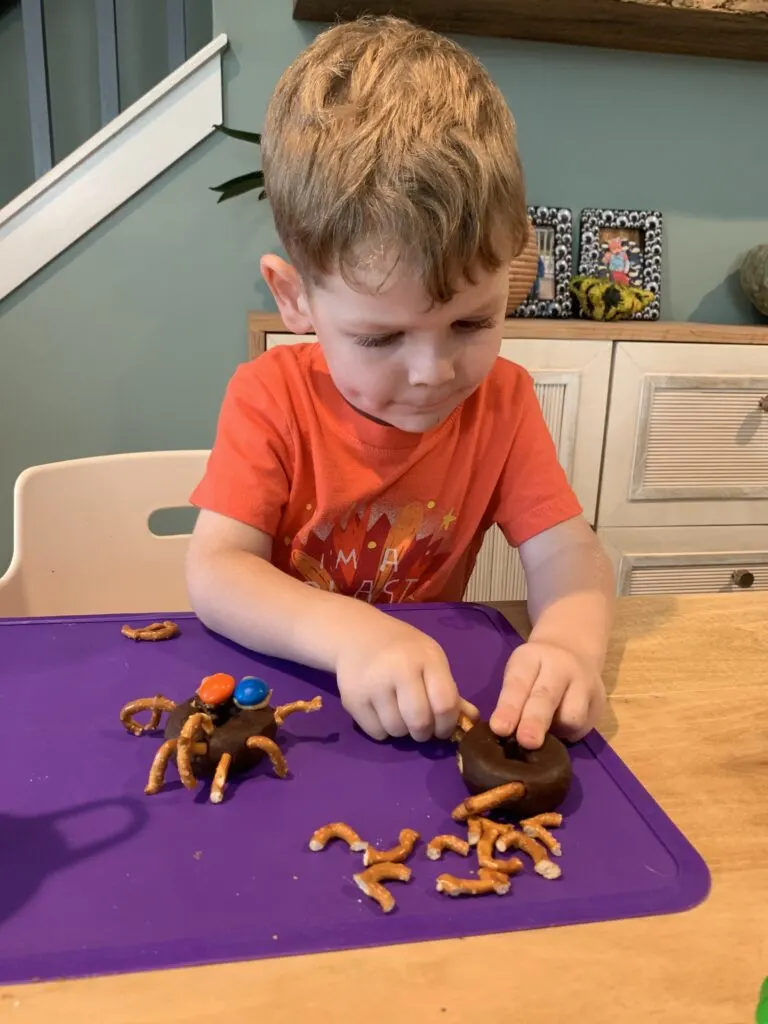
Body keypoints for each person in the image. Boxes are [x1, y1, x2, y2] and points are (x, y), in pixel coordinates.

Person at [187, 15, 615, 752]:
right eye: (381, 337)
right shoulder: (271, 397)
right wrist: (350, 634)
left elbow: (567, 555)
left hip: (425, 725)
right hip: (291, 713)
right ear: (295, 301)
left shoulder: (502, 404)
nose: (434, 372)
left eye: (472, 324)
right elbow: (217, 571)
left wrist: (571, 646)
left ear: (516, 269)